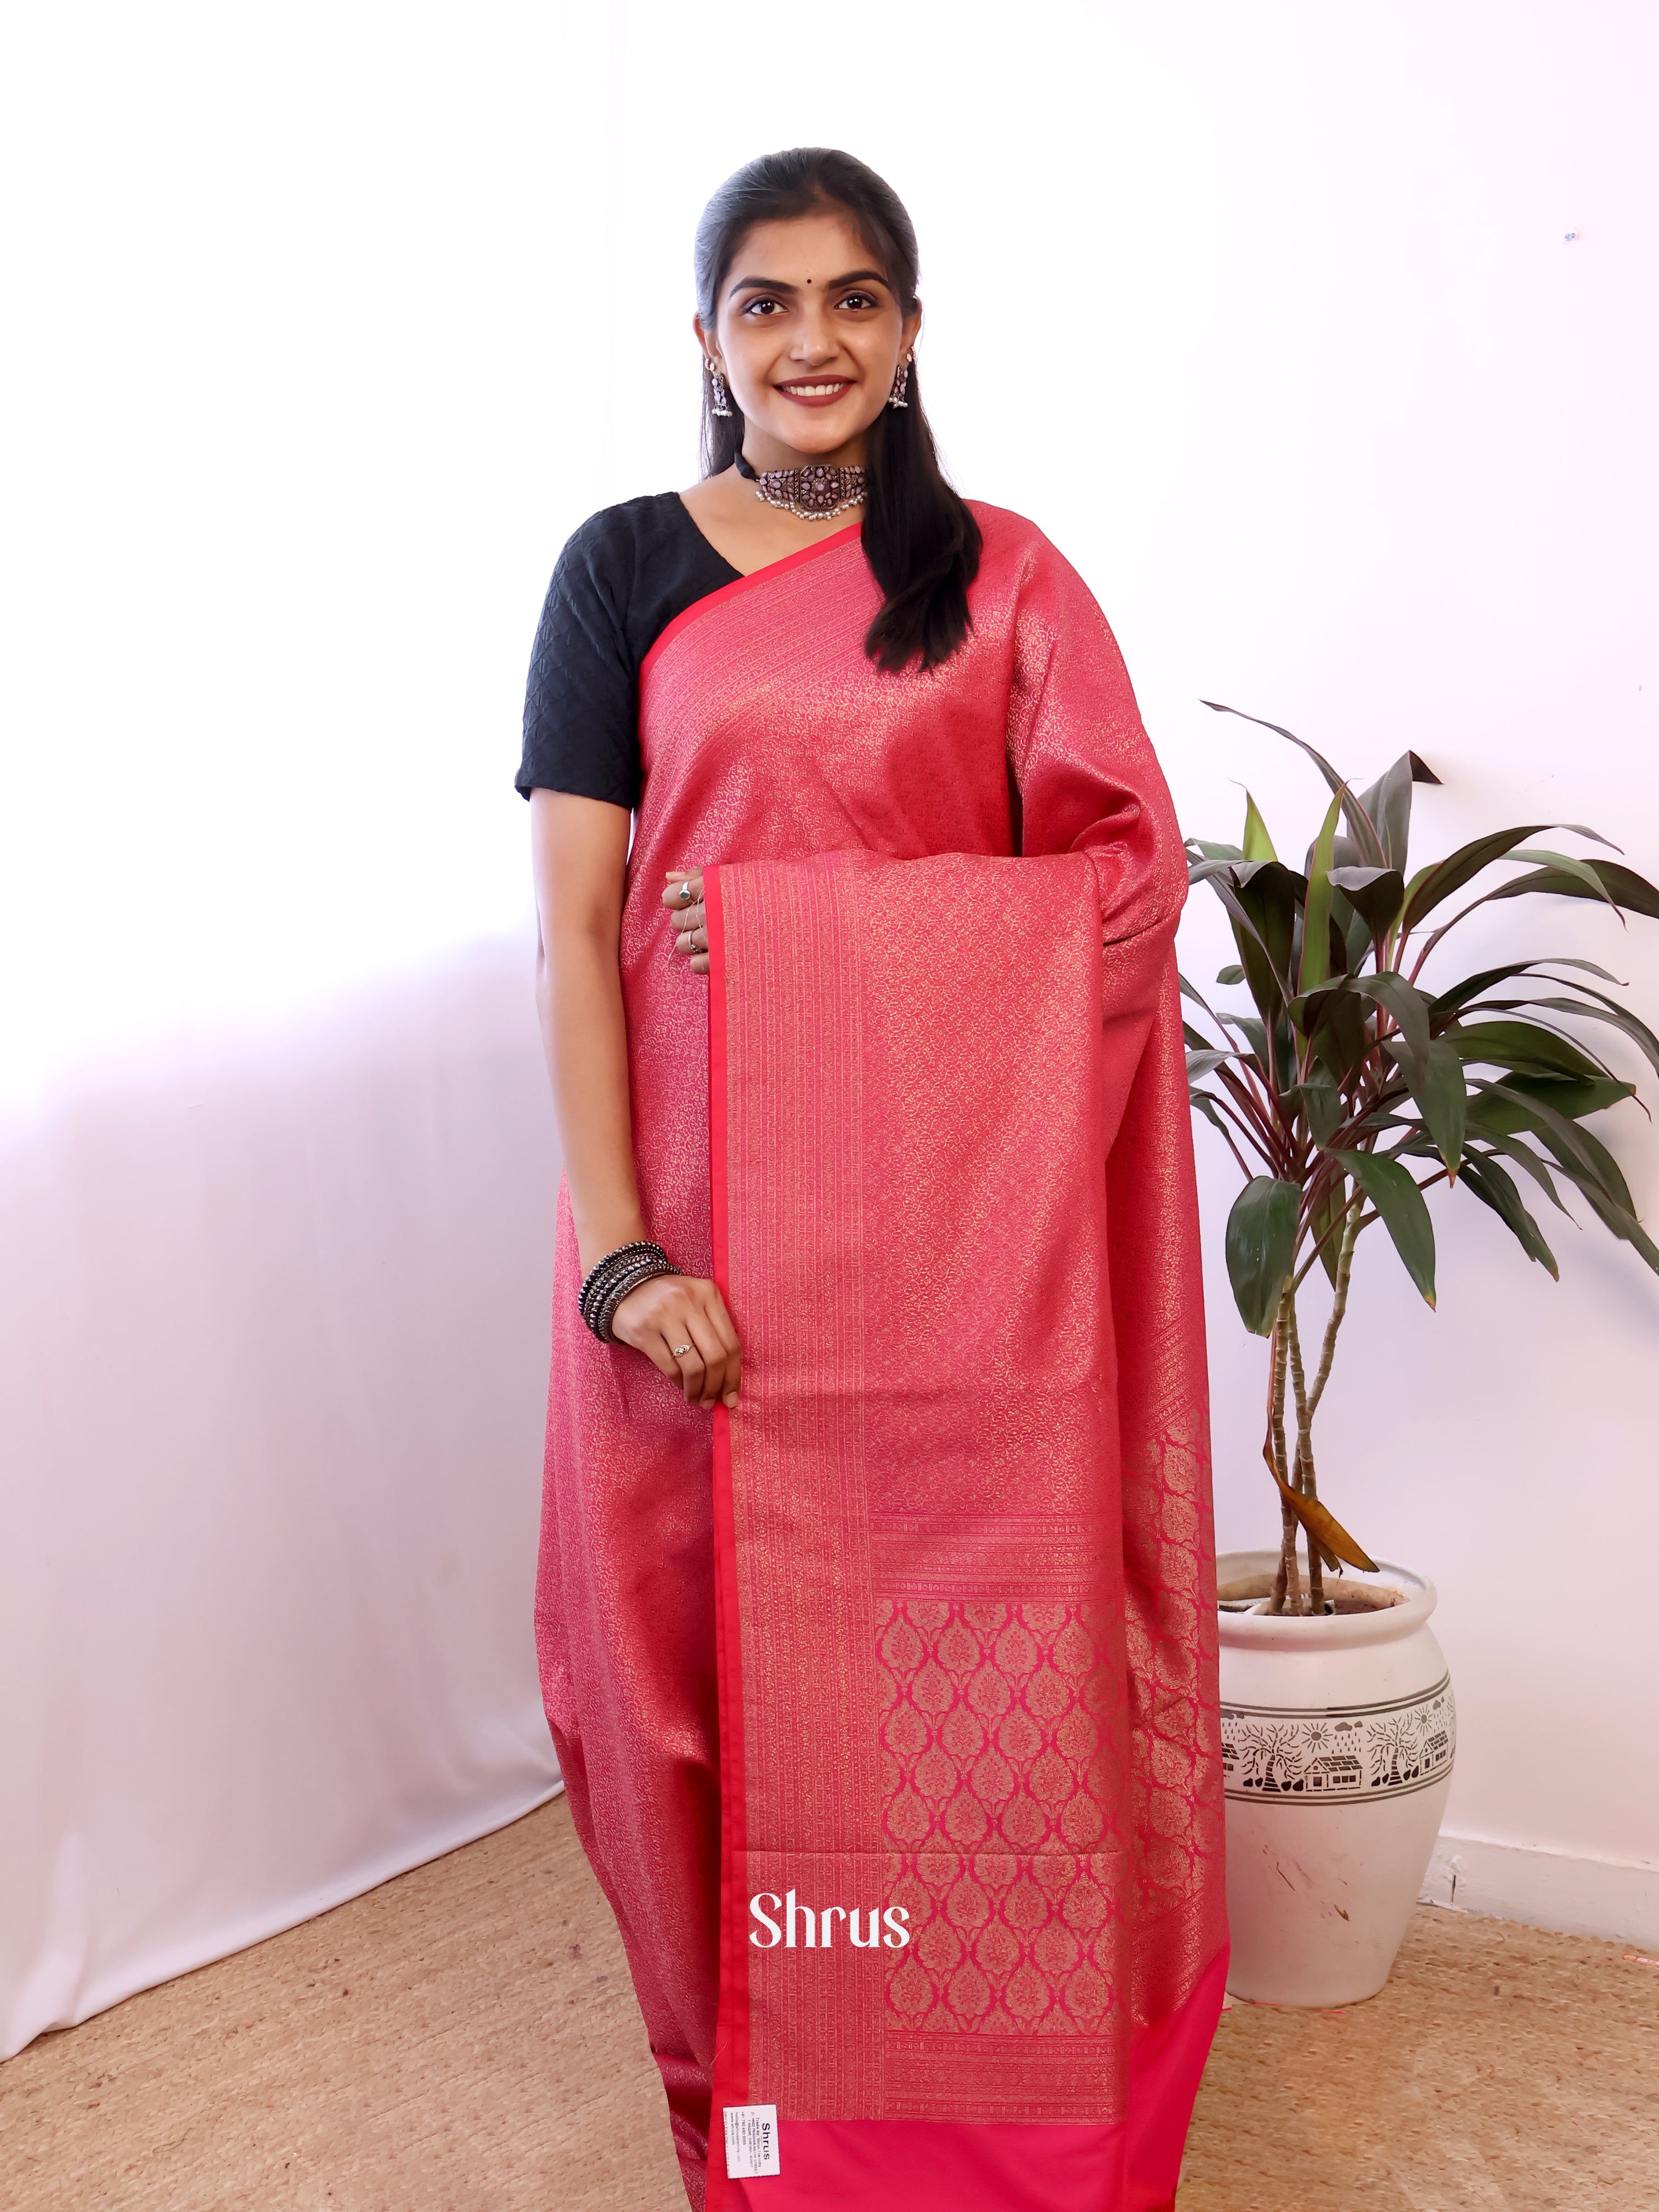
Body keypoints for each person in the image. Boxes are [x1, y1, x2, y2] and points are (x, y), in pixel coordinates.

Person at [520, 146, 1227, 2212]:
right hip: (691, 1232)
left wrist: (841, 942)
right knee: (655, 1690)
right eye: (766, 302)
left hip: (950, 1254)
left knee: (967, 1684)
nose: (810, 341)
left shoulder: (1004, 580)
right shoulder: (624, 568)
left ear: (912, 333)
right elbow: (578, 932)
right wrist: (620, 1250)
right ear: (710, 338)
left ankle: (978, 2135)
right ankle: (747, 2120)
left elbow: (1123, 885)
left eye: (854, 300)